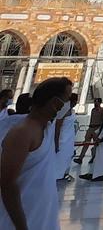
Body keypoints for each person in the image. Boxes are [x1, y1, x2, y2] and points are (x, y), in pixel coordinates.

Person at [0, 77, 71, 230]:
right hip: (22, 219)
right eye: (66, 100)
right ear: (54, 102)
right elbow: (7, 184)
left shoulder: (46, 127)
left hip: (43, 216)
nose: (68, 106)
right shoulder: (23, 133)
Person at [52, 91, 78, 182]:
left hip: (69, 137)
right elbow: (58, 126)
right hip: (62, 138)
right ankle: (57, 175)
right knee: (60, 156)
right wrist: (56, 142)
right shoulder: (64, 108)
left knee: (67, 155)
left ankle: (63, 173)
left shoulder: (72, 110)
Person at [75, 97, 103, 165]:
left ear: (99, 102)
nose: (95, 103)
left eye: (96, 102)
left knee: (95, 144)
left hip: (96, 128)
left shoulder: (102, 110)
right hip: (90, 127)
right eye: (95, 102)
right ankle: (80, 158)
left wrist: (99, 129)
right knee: (86, 143)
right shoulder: (93, 110)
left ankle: (94, 157)